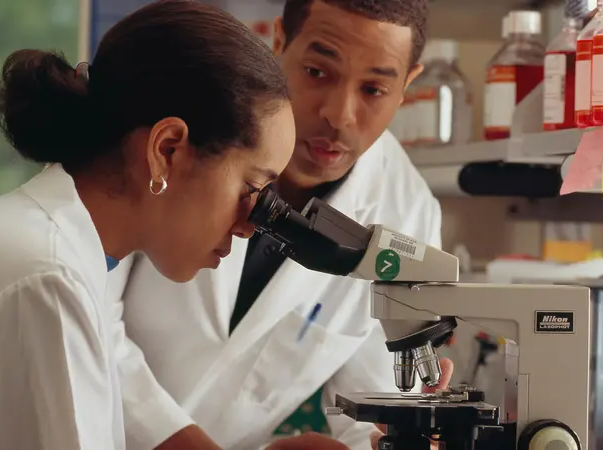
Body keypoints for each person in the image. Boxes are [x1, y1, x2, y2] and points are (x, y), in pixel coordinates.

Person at [107, 0, 447, 449]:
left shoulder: (408, 214)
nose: (339, 114)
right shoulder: (184, 133)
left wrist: (398, 433)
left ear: (407, 86)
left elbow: (372, 403)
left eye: (374, 90)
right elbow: (85, 314)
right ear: (279, 44)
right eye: (318, 72)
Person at [0, 1, 294, 448]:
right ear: (167, 150)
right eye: (251, 188)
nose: (249, 226)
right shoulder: (48, 276)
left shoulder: (52, 243)